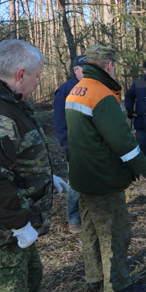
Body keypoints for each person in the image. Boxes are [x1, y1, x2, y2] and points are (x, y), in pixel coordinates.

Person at [66, 45, 146, 292]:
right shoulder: (102, 94)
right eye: (114, 65)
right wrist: (145, 168)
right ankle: (117, 285)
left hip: (82, 176)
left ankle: (95, 278)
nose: (115, 69)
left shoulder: (77, 89)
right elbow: (121, 141)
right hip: (103, 179)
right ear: (108, 65)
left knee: (92, 231)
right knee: (115, 234)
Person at [0, 39, 68, 292]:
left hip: (14, 229)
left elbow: (8, 159)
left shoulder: (10, 102)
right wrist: (19, 223)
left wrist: (44, 177)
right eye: (37, 77)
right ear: (20, 74)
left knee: (32, 280)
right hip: (1, 234)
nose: (38, 83)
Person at [53, 55, 86, 234]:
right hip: (74, 146)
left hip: (93, 146)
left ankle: (88, 214)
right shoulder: (65, 90)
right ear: (75, 70)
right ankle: (74, 218)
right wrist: (67, 144)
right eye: (84, 68)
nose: (87, 72)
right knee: (74, 182)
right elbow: (59, 121)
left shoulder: (93, 88)